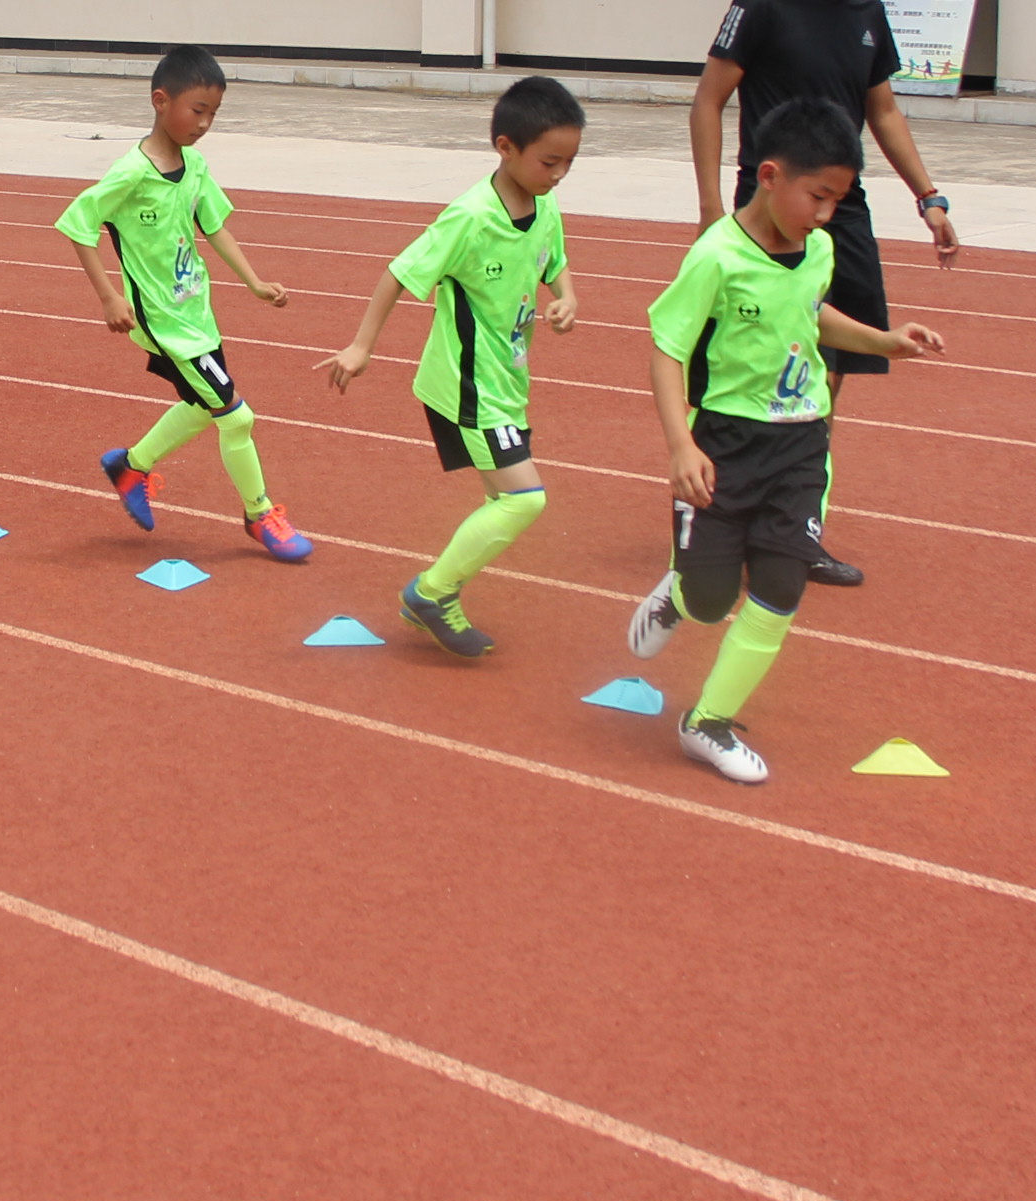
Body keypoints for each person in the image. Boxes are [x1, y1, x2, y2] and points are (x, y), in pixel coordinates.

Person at [631, 98, 948, 784]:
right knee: (713, 598)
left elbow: (811, 317)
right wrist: (682, 446)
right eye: (818, 197)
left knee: (780, 584)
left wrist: (882, 340)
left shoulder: (820, 248)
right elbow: (666, 350)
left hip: (802, 443)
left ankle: (706, 723)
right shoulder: (715, 256)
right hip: (726, 443)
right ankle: (679, 595)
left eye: (838, 199)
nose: (826, 214)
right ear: (770, 176)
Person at [687, 0, 963, 588]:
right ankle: (721, 499)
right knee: (743, 356)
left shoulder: (869, 13)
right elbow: (709, 100)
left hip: (844, 210)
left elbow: (885, 111)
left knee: (828, 367)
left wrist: (929, 196)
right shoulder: (763, 6)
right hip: (768, 204)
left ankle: (794, 521)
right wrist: (712, 206)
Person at [317, 76, 585, 659]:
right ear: (505, 147)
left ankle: (441, 594)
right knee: (525, 499)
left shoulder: (543, 205)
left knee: (504, 500)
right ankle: (431, 592)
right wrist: (362, 348)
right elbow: (398, 272)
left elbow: (554, 263)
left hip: (506, 381)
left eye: (569, 162)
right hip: (466, 387)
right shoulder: (467, 218)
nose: (559, 173)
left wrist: (565, 296)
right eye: (549, 161)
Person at [59, 43, 310, 562]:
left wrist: (255, 282)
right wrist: (108, 296)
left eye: (213, 114)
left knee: (202, 406)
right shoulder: (131, 173)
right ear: (160, 101)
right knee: (236, 417)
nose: (204, 123)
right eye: (197, 110)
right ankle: (260, 514)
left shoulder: (194, 167)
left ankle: (131, 465)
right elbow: (78, 225)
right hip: (163, 324)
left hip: (197, 315)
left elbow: (215, 227)